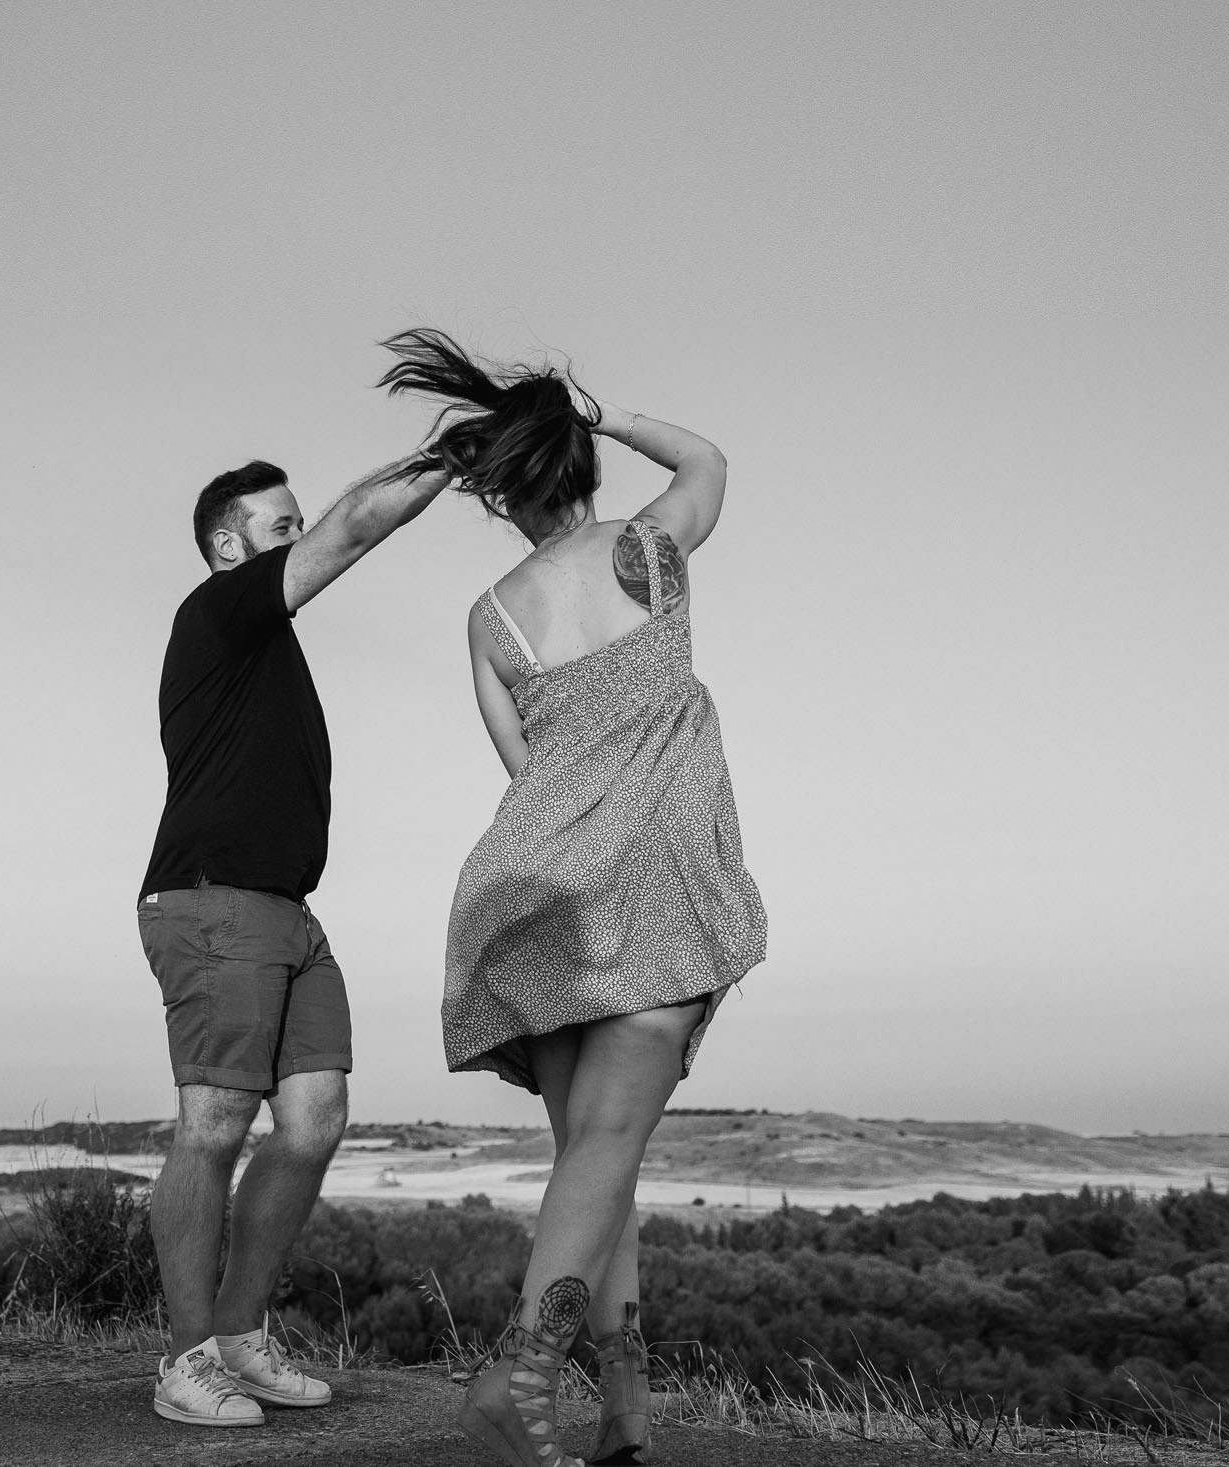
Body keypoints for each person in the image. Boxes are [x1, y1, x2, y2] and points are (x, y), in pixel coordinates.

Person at [377, 330, 766, 1466]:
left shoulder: (489, 618)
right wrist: (604, 417)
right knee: (605, 1145)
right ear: (580, 460)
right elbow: (707, 460)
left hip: (528, 887)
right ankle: (518, 1373)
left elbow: (522, 767)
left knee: (595, 1166)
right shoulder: (648, 552)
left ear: (501, 493)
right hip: (651, 890)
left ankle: (625, 1420)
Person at [136, 453, 451, 1428]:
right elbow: (354, 527)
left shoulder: (262, 638)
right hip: (211, 901)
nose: (300, 539)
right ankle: (186, 1362)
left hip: (288, 913)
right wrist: (455, 452)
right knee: (215, 1126)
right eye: (282, 527)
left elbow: (335, 525)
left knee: (312, 1121)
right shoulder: (219, 608)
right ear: (229, 543)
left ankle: (238, 1334)